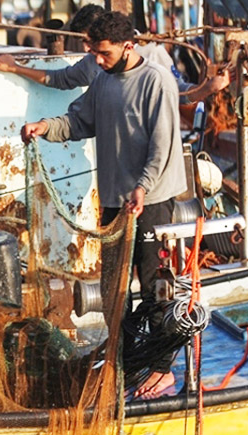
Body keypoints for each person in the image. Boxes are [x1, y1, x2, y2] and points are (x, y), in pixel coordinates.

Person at [20, 11, 187, 400]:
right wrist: (45, 127)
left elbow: (162, 147)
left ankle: (162, 368)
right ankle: (126, 357)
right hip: (116, 203)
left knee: (156, 285)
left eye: (103, 52)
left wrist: (143, 188)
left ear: (129, 46)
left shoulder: (156, 82)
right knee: (115, 288)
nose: (96, 59)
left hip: (152, 200)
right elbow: (78, 122)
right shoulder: (104, 81)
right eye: (93, 51)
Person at [0, 4, 229, 103]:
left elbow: (177, 95)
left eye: (89, 42)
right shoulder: (94, 62)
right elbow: (60, 79)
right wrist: (15, 68)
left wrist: (208, 89)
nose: (86, 50)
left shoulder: (152, 56)